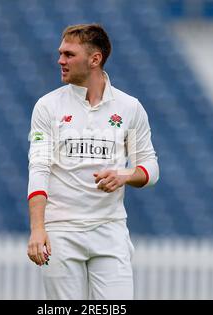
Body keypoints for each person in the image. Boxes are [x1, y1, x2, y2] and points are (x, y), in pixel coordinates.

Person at [27, 23, 159, 300]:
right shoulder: (47, 106)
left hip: (109, 229)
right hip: (61, 230)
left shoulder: (129, 107)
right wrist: (38, 229)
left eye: (69, 54)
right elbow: (38, 167)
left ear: (94, 59)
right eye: (61, 53)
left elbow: (149, 166)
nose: (60, 60)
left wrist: (125, 175)